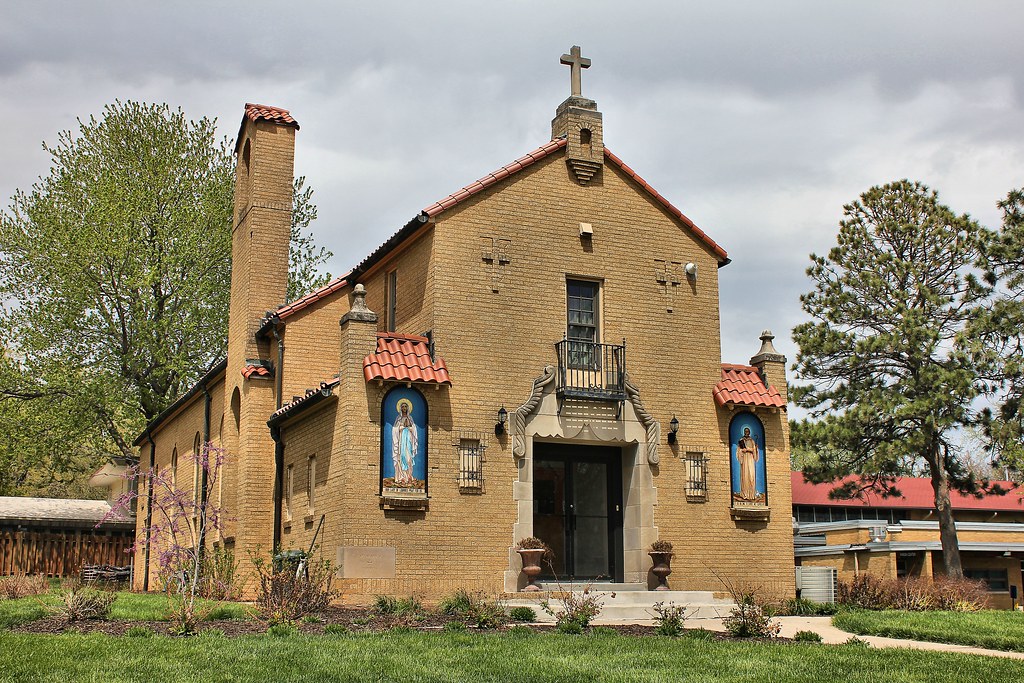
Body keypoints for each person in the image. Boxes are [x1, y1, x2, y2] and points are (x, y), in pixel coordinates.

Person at [391, 399, 418, 485]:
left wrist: (410, 429)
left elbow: (414, 429)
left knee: (408, 458)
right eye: (402, 407)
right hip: (401, 440)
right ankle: (402, 477)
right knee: (401, 456)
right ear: (400, 408)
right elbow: (394, 429)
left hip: (409, 440)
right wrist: (400, 428)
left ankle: (409, 476)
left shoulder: (410, 418)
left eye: (405, 406)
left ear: (408, 408)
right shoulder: (398, 418)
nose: (404, 408)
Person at [736, 427, 760, 501]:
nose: (747, 432)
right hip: (744, 459)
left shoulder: (752, 441)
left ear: (749, 432)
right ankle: (744, 494)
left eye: (748, 431)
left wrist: (755, 449)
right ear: (744, 432)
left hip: (750, 459)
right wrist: (742, 451)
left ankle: (751, 494)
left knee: (751, 476)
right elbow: (738, 451)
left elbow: (754, 451)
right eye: (745, 431)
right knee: (745, 476)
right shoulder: (741, 440)